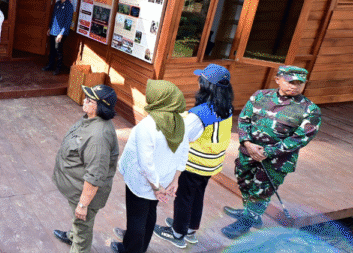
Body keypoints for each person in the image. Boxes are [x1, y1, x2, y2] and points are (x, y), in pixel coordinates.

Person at [221, 65, 321, 239]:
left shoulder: (309, 109)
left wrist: (268, 151)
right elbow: (244, 119)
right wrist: (247, 142)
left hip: (277, 160)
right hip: (248, 152)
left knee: (262, 190)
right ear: (278, 80)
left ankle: (247, 222)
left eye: (299, 83)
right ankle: (251, 214)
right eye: (290, 82)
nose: (294, 86)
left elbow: (300, 138)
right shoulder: (260, 96)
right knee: (245, 183)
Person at [153, 64, 234, 248]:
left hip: (194, 163)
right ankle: (190, 230)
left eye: (201, 80)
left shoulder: (201, 113)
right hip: (211, 164)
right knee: (197, 195)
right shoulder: (226, 107)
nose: (199, 83)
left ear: (206, 85)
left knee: (184, 197)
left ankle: (177, 233)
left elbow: (182, 136)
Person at [111, 80, 190, 253]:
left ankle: (130, 250)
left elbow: (145, 163)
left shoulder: (147, 126)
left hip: (144, 182)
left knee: (136, 217)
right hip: (165, 180)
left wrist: (155, 187)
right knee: (150, 213)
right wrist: (175, 180)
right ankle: (138, 248)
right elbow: (184, 151)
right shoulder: (179, 122)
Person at [52, 84, 119, 253]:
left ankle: (78, 244)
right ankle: (73, 236)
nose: (84, 100)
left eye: (89, 100)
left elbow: (95, 175)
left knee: (83, 228)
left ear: (100, 106)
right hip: (76, 186)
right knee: (78, 223)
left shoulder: (98, 136)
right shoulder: (91, 119)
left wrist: (83, 204)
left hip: (84, 193)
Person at [43, 0, 74, 76]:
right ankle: (50, 65)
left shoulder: (69, 6)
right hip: (53, 31)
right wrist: (49, 28)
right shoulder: (57, 4)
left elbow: (67, 22)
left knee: (58, 50)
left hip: (61, 33)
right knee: (52, 49)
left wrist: (61, 34)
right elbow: (53, 17)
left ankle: (58, 68)